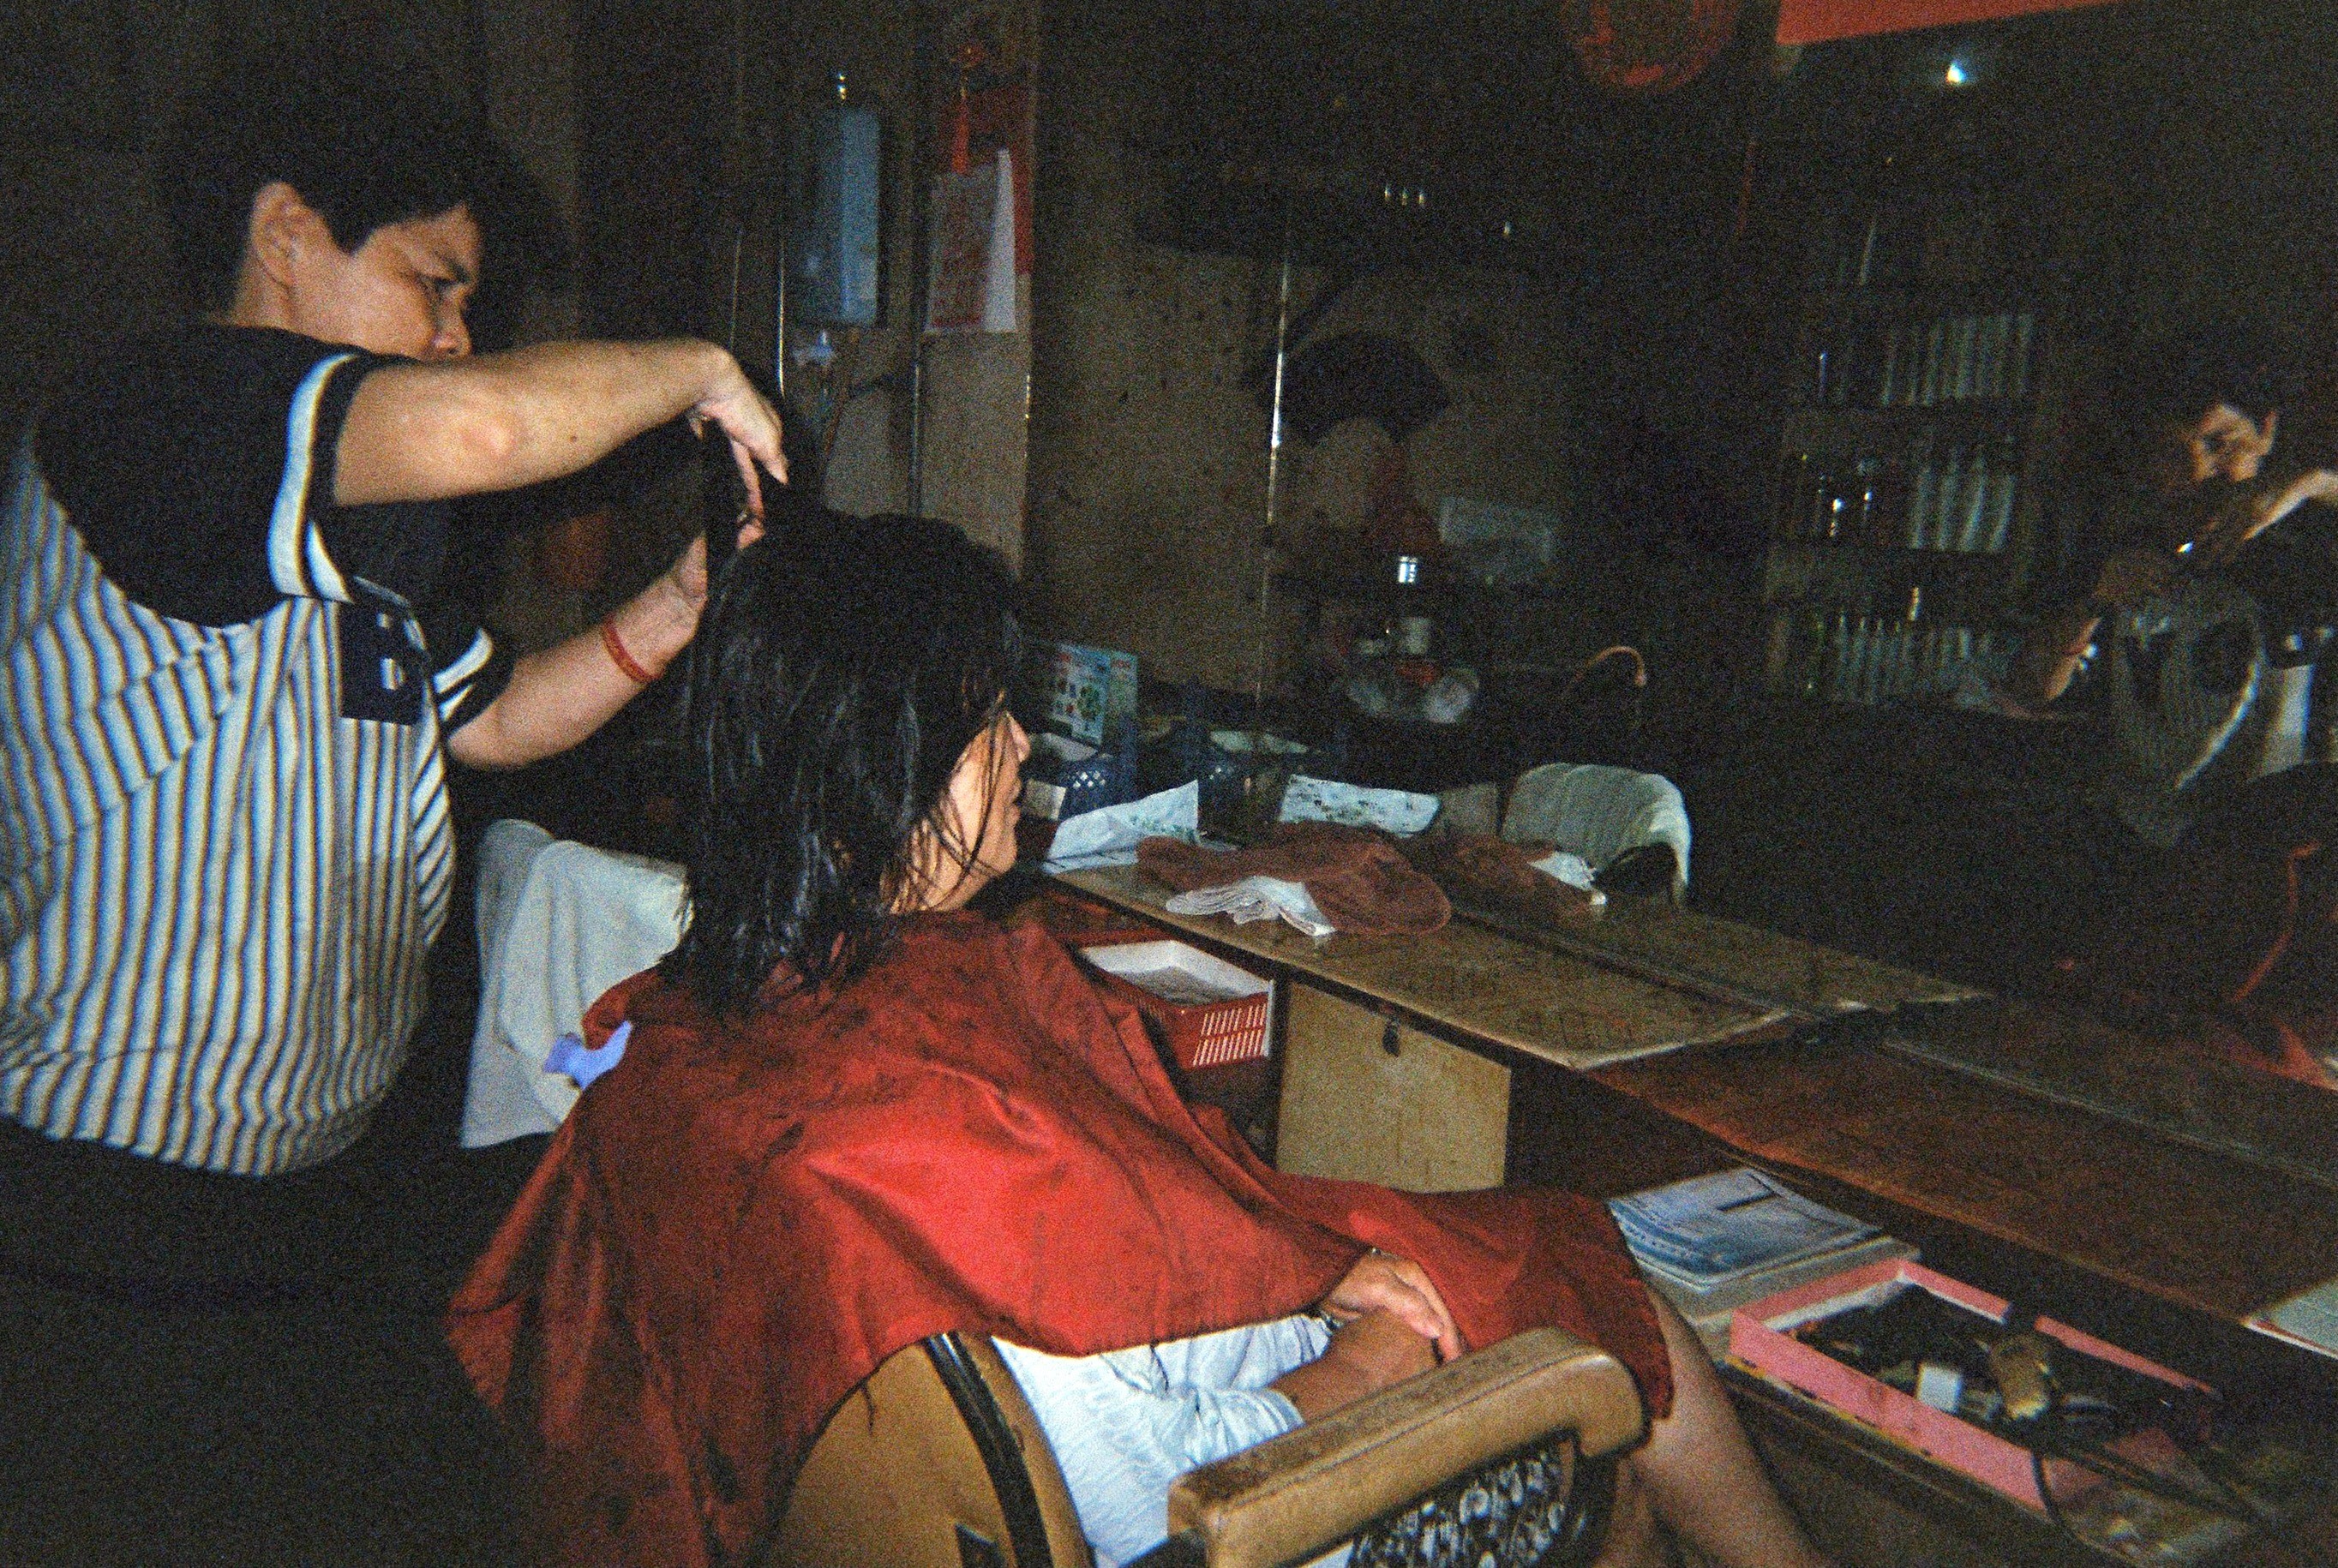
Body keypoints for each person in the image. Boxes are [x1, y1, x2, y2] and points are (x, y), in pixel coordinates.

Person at [447, 512, 1836, 1568]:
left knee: (1514, 1265)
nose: (1019, 753)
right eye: (986, 719)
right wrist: (1346, 1370)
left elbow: (1100, 1261)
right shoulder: (914, 1151)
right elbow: (1127, 1488)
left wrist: (1294, 1275)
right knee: (1607, 1333)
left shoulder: (706, 1029)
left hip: (939, 1458)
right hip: (1197, 1512)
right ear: (885, 763)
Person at [0, 54, 780, 1565]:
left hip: (305, 1192)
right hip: (104, 1215)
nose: (454, 335)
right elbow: (489, 430)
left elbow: (484, 722)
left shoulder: (336, 525)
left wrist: (680, 609)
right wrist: (699, 369)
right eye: (433, 283)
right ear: (286, 229)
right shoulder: (161, 410)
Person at [2002, 323, 2337, 849]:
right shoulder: (2124, 545)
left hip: (2289, 853)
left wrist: (2314, 484)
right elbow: (2031, 689)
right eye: (2169, 451)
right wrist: (2093, 602)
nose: (2200, 472)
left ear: (2266, 432)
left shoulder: (2312, 538)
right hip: (2145, 846)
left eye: (2219, 443)